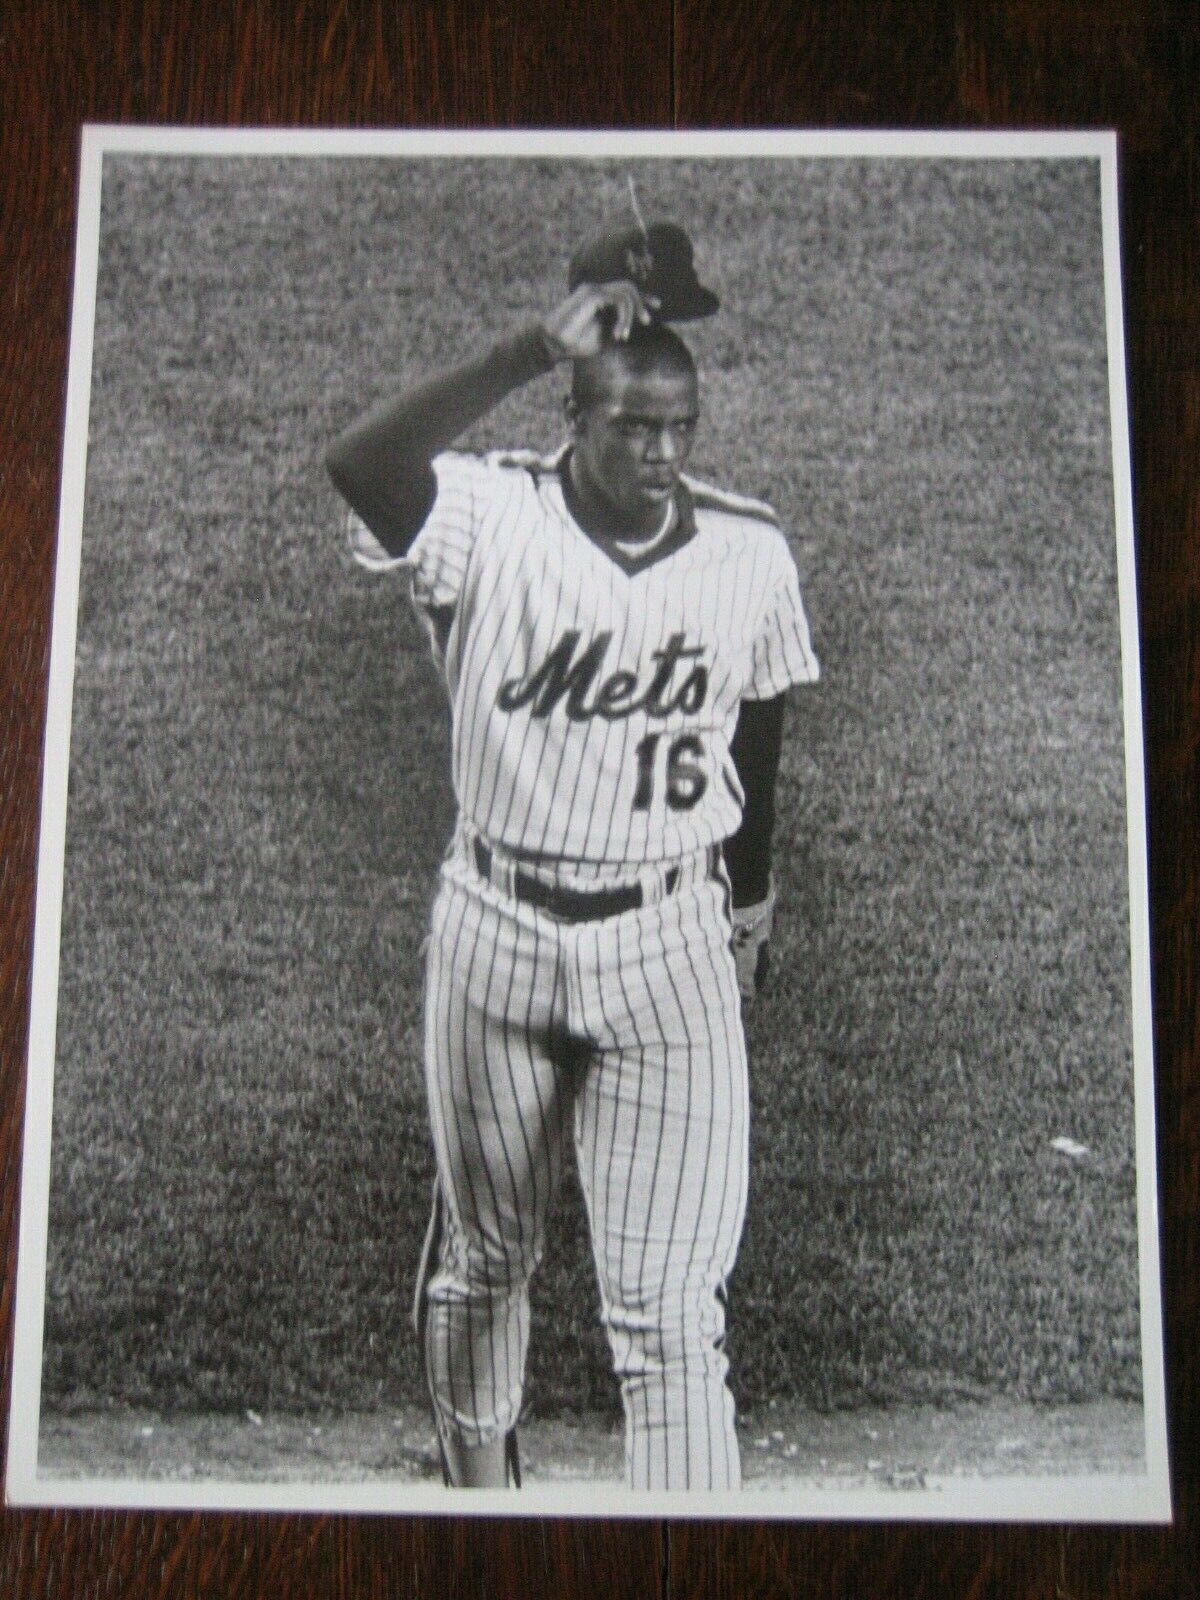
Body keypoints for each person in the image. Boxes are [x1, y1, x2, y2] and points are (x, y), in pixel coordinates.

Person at [325, 221, 819, 1491]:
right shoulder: (487, 514)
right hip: (495, 930)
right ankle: (480, 1493)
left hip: (669, 944)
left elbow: (756, 722)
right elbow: (361, 461)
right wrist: (519, 348)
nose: (660, 457)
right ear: (576, 418)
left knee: (669, 1319)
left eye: (678, 432)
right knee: (489, 1257)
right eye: (631, 430)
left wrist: (749, 906)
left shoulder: (748, 548)